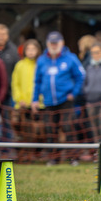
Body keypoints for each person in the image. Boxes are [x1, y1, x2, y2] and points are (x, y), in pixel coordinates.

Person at [32, 31, 85, 160]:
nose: (54, 45)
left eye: (56, 43)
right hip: (48, 101)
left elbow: (81, 76)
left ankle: (73, 157)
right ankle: (53, 158)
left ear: (62, 43)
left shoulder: (71, 58)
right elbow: (37, 81)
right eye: (51, 43)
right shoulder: (42, 60)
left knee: (68, 127)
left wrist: (74, 93)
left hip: (66, 99)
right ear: (47, 44)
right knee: (50, 129)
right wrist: (34, 99)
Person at [11, 39, 42, 155]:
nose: (31, 52)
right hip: (23, 105)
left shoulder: (41, 64)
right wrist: (19, 99)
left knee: (38, 131)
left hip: (38, 105)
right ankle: (23, 153)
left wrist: (39, 100)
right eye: (28, 49)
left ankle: (37, 153)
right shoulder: (20, 65)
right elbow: (15, 83)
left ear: (38, 50)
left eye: (33, 49)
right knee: (22, 130)